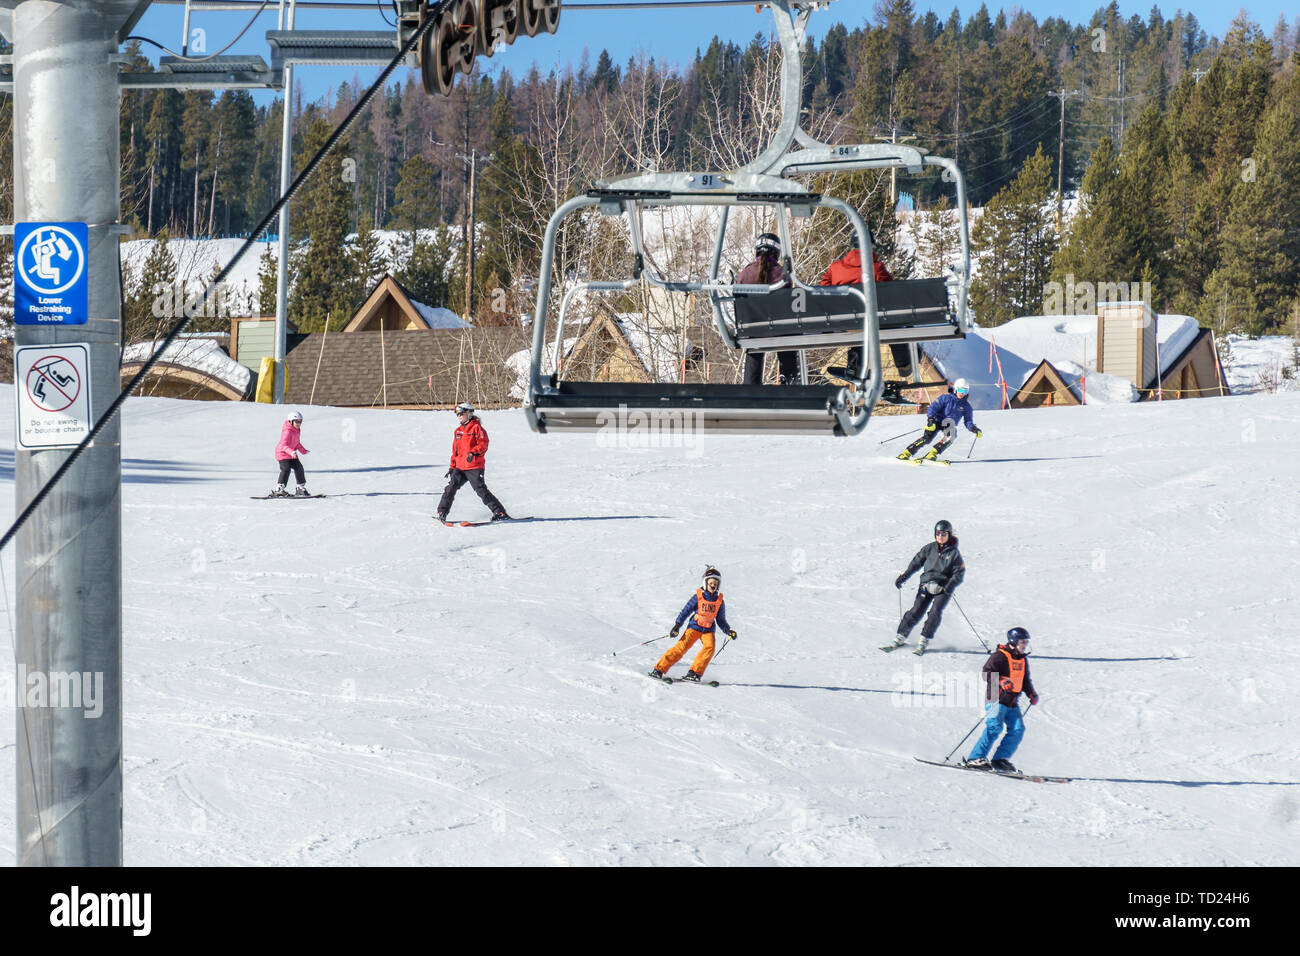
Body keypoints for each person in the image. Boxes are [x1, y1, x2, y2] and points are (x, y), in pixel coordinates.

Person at [819, 228, 896, 380]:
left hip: (843, 321)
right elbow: (889, 290)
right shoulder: (876, 268)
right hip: (870, 320)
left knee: (858, 321)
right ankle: (904, 364)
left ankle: (855, 365)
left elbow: (824, 287)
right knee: (870, 320)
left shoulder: (835, 268)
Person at [963, 627, 1039, 773]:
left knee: (1017, 730)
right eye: (1023, 642)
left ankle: (999, 760)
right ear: (1013, 641)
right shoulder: (999, 655)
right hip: (995, 698)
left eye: (1026, 642)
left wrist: (1031, 693)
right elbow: (986, 673)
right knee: (994, 727)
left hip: (1011, 701)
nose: (1025, 645)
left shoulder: (1022, 659)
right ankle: (975, 758)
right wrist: (1002, 680)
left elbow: (1024, 680)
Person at [885, 519, 965, 654]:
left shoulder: (954, 554)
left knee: (935, 611)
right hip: (926, 584)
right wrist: (904, 576)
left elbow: (958, 573)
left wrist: (949, 586)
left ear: (949, 535)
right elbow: (916, 563)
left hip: (943, 588)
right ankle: (900, 636)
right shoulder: (929, 548)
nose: (940, 536)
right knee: (916, 610)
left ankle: (924, 639)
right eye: (938, 533)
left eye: (944, 534)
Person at [649, 567, 737, 682]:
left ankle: (695, 673)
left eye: (715, 583)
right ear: (705, 583)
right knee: (681, 648)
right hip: (694, 627)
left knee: (709, 648)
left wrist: (728, 630)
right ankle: (659, 669)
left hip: (709, 630)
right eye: (710, 583)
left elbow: (721, 620)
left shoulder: (719, 601)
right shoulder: (698, 596)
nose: (713, 586)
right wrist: (677, 625)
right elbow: (685, 611)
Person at [738, 233, 798, 386]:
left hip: (751, 329)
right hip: (779, 329)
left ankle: (751, 383)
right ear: (776, 252)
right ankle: (788, 375)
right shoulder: (783, 274)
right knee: (787, 335)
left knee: (754, 347)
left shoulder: (746, 273)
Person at [436, 401, 511, 523]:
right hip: (460, 467)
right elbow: (455, 451)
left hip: (474, 466)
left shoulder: (477, 428)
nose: (459, 416)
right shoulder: (458, 431)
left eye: (461, 413)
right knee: (450, 488)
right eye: (457, 414)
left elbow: (483, 444)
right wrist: (452, 466)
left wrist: (473, 452)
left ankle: (499, 512)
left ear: (469, 414)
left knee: (481, 490)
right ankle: (442, 512)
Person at [897, 378, 982, 462]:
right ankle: (906, 453)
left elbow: (968, 421)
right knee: (927, 438)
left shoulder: (966, 406)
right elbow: (933, 408)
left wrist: (973, 428)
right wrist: (931, 419)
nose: (962, 393)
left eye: (965, 391)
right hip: (936, 420)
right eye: (960, 390)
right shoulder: (945, 398)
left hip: (949, 424)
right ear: (955, 389)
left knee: (951, 436)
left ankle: (932, 454)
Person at [272, 410, 311, 497]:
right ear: (290, 421)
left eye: (300, 421)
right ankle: (279, 489)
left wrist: (303, 450)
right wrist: (291, 452)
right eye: (297, 421)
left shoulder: (297, 430)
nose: (299, 423)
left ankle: (300, 487)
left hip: (291, 454)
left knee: (299, 468)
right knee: (286, 469)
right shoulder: (287, 431)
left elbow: (296, 443)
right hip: (282, 453)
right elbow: (283, 445)